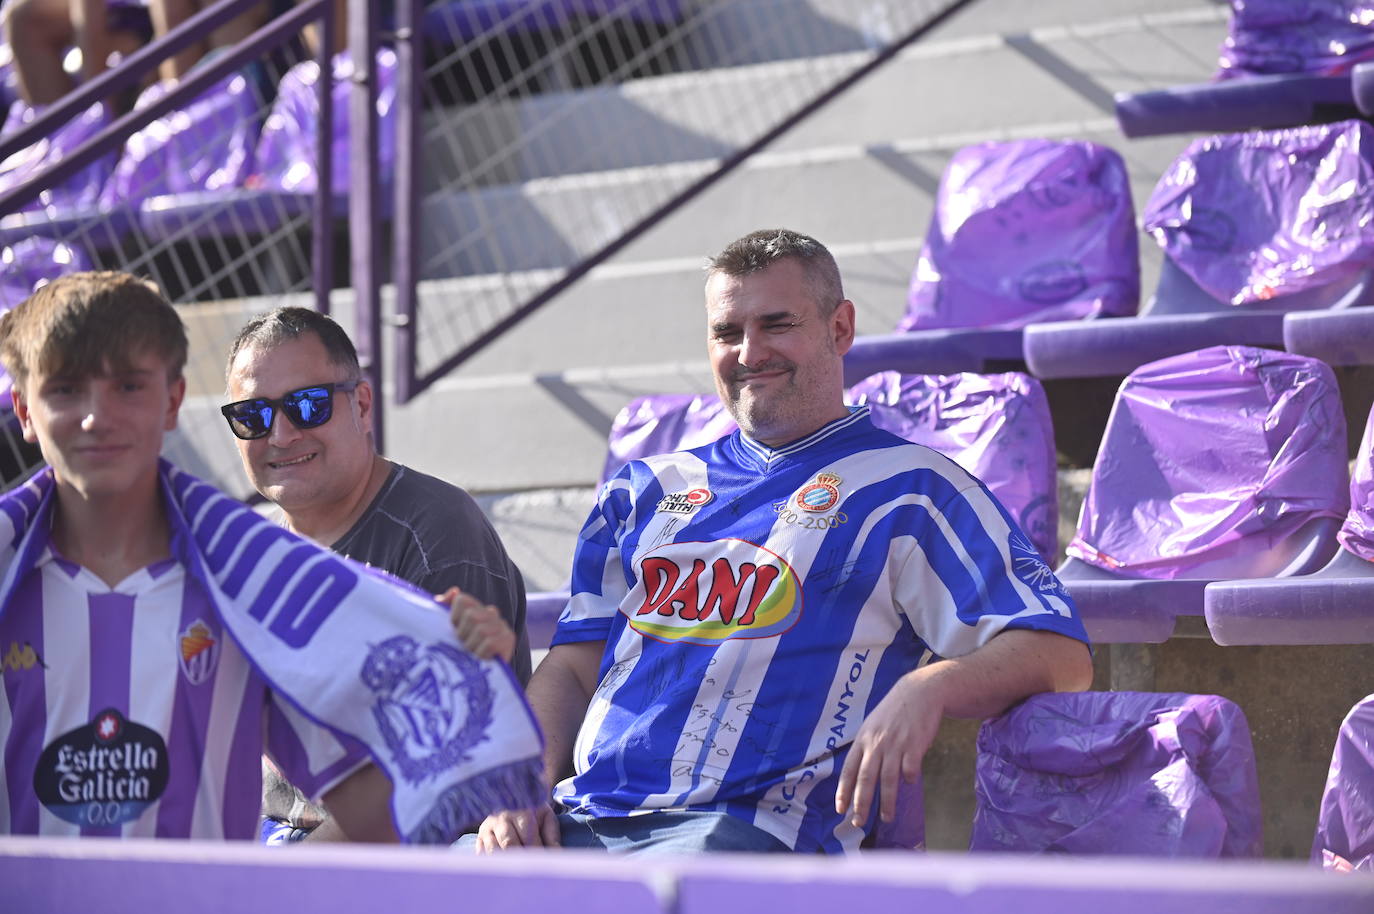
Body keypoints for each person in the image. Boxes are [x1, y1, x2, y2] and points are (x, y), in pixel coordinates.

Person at [469, 228, 1094, 854]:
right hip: (585, 819)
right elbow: (575, 666)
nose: (749, 352)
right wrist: (522, 786)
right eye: (727, 333)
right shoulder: (644, 489)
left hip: (748, 836)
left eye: (777, 324)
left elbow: (1061, 657)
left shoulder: (913, 488)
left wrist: (927, 687)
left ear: (840, 329)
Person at [0, 273, 378, 839]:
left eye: (128, 386)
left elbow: (384, 794)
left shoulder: (256, 575)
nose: (96, 417)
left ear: (173, 400)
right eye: (65, 389)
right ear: (23, 411)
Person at [222, 306, 531, 840]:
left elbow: (441, 785)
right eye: (253, 414)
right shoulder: (250, 557)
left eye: (308, 405)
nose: (281, 433)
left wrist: (277, 884)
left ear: (361, 406)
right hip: (274, 837)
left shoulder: (437, 533)